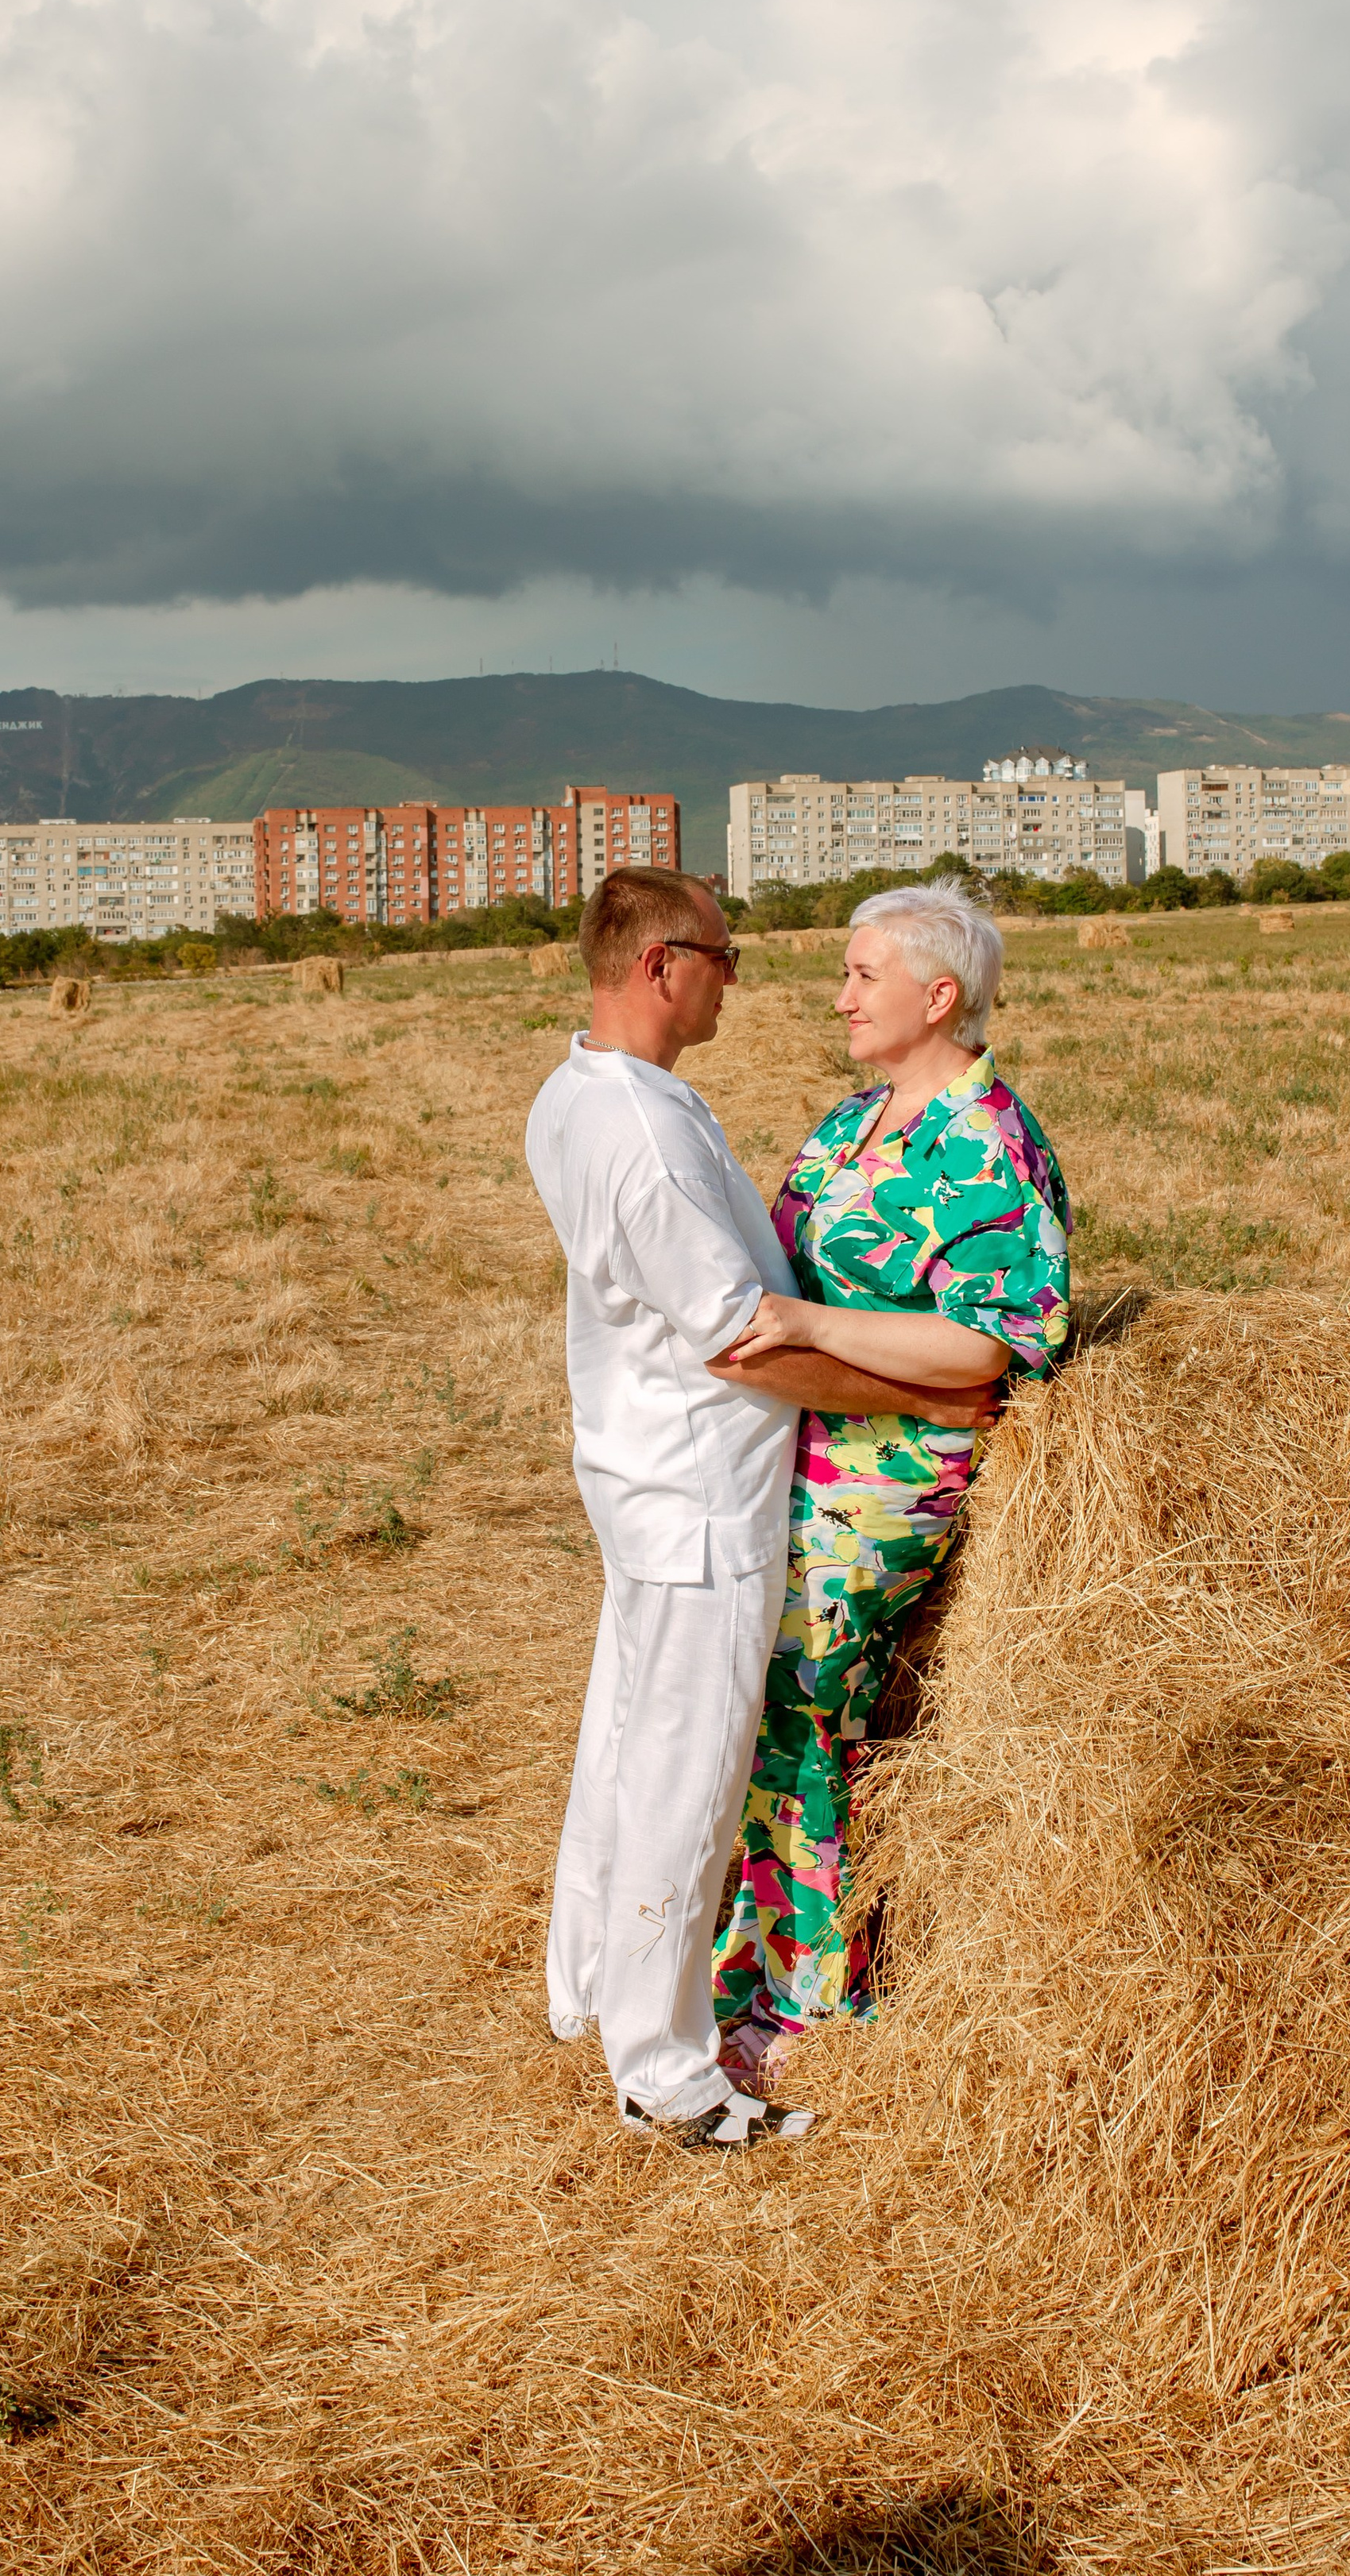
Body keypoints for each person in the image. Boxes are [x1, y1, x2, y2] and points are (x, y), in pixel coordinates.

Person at [525, 867, 999, 2153]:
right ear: (664, 965)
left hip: (648, 1478)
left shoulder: (583, 1094)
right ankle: (666, 2074)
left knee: (627, 1746)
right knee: (684, 1776)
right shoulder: (640, 1135)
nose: (744, 978)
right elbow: (742, 1340)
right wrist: (927, 1403)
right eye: (727, 958)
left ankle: (589, 1992)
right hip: (698, 1495)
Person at [711, 880, 1070, 2093]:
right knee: (754, 1689)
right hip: (799, 1446)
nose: (841, 994)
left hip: (896, 1469)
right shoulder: (849, 1123)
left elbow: (990, 1345)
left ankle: (814, 1999)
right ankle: (745, 1967)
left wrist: (811, 1319)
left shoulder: (987, 1143)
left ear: (940, 994)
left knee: (804, 1681)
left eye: (864, 975)